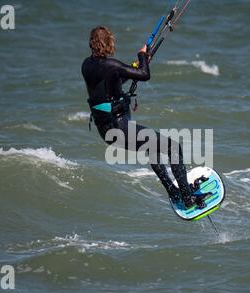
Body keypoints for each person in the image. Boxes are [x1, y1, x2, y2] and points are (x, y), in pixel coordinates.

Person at [81, 26, 210, 209]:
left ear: (92, 43)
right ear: (109, 43)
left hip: (107, 130)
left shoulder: (87, 65)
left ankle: (175, 192)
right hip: (120, 128)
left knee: (155, 149)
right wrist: (142, 57)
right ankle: (188, 198)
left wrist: (134, 66)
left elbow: (113, 79)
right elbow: (144, 75)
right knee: (173, 147)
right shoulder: (113, 66)